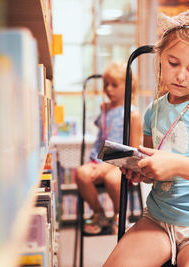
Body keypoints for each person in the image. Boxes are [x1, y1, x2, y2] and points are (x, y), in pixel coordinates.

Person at [104, 10, 189, 267]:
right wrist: (141, 171)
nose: (180, 75)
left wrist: (177, 165)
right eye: (173, 63)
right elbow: (153, 165)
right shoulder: (153, 111)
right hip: (158, 218)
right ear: (160, 58)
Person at [76, 61, 142, 235]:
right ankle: (99, 213)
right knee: (82, 174)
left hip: (122, 164)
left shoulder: (133, 113)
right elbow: (103, 131)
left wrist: (108, 165)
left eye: (114, 85)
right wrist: (104, 111)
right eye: (106, 84)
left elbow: (133, 150)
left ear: (128, 87)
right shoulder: (105, 110)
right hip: (98, 159)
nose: (108, 89)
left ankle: (120, 216)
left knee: (113, 180)